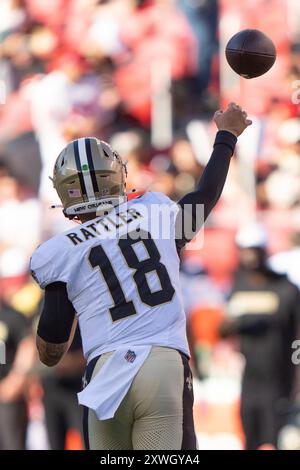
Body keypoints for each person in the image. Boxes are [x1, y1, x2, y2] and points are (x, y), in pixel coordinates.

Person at [30, 103, 251, 450]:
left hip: (104, 376)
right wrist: (227, 136)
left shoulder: (58, 251)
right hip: (161, 365)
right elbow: (203, 198)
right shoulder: (153, 209)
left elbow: (51, 350)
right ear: (116, 174)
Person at [219, 223, 300, 450]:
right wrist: (232, 322)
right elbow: (222, 332)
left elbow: (297, 337)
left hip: (279, 381)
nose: (250, 257)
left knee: (275, 442)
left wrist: (297, 376)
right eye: (245, 250)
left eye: (254, 250)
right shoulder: (237, 287)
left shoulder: (286, 289)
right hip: (249, 381)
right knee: (250, 441)